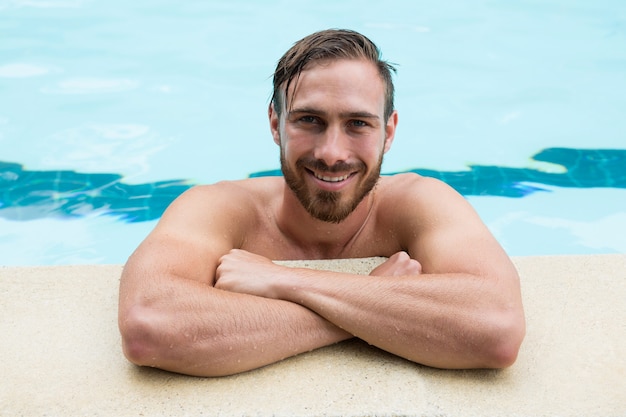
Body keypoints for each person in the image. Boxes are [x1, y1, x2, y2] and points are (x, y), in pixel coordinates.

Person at [118, 29, 525, 377]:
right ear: (276, 124)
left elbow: (497, 328)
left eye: (358, 124)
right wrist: (375, 302)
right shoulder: (219, 208)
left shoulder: (419, 202)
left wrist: (286, 282)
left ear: (389, 131)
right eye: (309, 120)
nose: (332, 152)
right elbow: (148, 325)